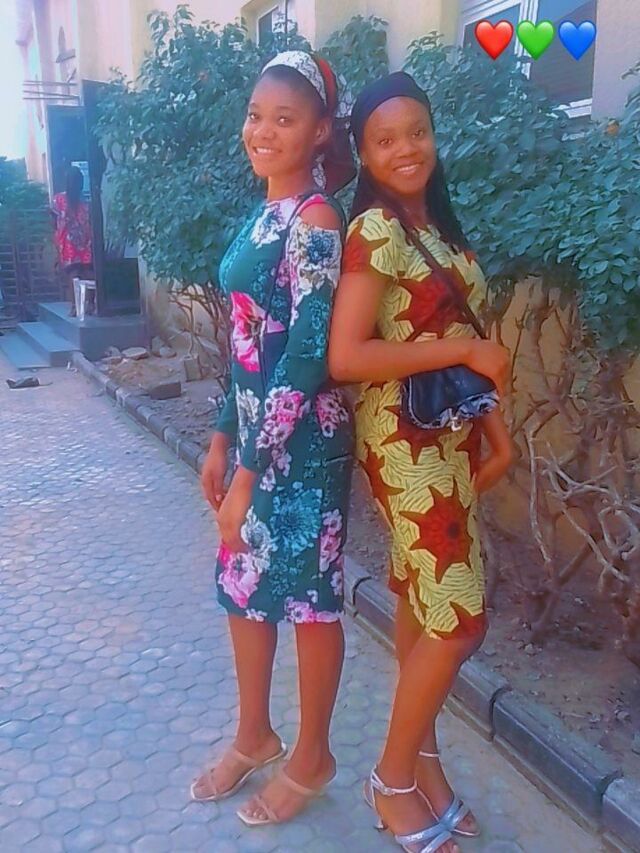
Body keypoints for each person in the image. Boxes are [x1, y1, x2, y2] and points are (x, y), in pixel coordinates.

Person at [329, 72, 513, 853]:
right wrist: (465, 352)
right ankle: (391, 778)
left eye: (418, 132)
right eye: (385, 139)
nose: (406, 149)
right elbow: (347, 356)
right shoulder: (375, 228)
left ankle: (425, 765)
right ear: (364, 154)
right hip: (403, 441)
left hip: (450, 432)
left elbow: (467, 335)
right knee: (458, 618)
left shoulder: (433, 223)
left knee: (419, 598)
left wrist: (496, 430)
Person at [195, 51, 355, 827]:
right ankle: (254, 734)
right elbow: (247, 341)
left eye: (285, 119)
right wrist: (222, 435)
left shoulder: (316, 221)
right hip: (257, 438)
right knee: (242, 583)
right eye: (257, 115)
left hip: (306, 448)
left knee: (309, 599)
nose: (263, 130)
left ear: (319, 131)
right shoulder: (262, 214)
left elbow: (306, 354)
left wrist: (250, 473)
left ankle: (312, 755)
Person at [52, 166, 93, 317]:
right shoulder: (86, 200)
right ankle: (90, 304)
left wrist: (57, 239)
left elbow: (53, 221)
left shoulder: (58, 200)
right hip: (85, 240)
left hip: (67, 242)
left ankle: (76, 306)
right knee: (88, 272)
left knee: (73, 273)